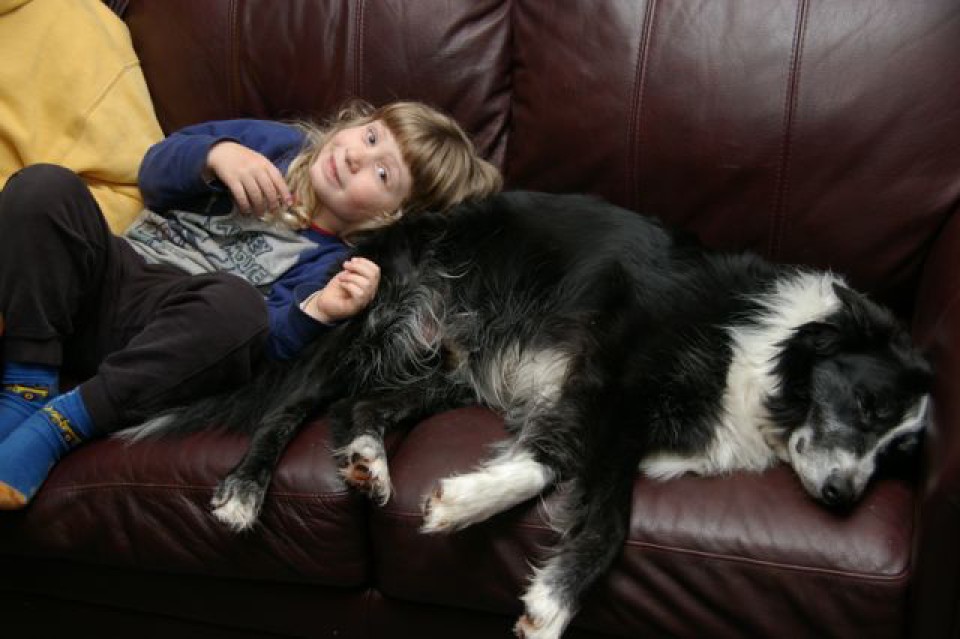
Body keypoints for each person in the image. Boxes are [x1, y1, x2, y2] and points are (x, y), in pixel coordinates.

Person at [0, 100, 502, 509]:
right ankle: (26, 381)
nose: (356, 157)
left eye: (383, 173)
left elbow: (265, 344)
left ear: (391, 217)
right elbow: (154, 169)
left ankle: (62, 425)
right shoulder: (275, 144)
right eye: (371, 138)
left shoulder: (332, 263)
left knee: (237, 307)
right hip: (111, 279)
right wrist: (216, 156)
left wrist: (318, 312)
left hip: (169, 341)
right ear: (354, 121)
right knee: (46, 187)